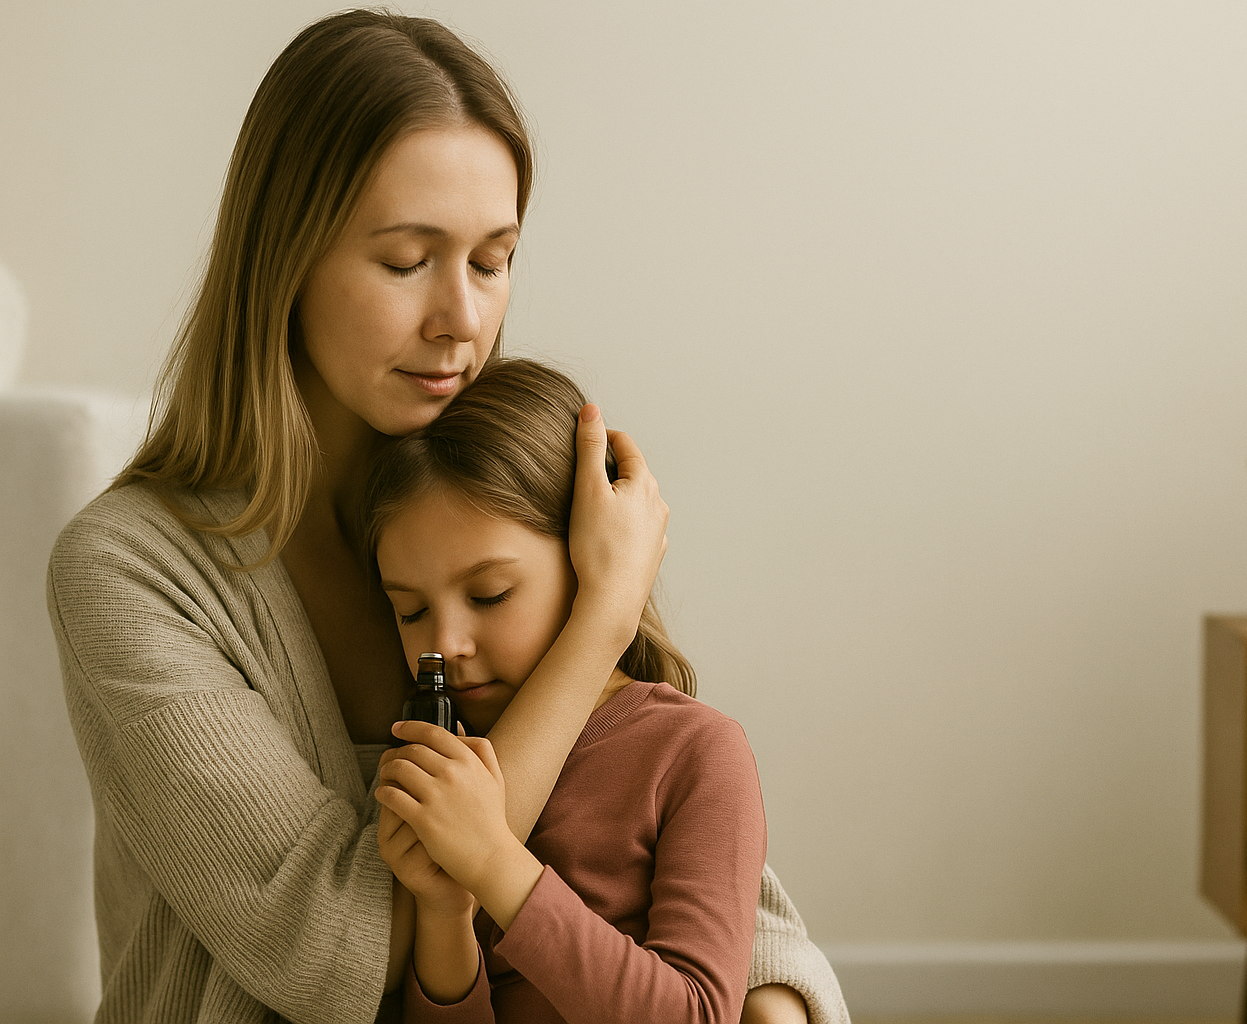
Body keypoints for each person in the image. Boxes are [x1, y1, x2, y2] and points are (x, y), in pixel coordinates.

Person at [45, 10, 846, 1024]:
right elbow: (334, 952)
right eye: (405, 260)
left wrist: (772, 993)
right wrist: (603, 611)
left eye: (491, 259)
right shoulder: (128, 574)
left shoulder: (490, 493)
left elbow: (669, 811)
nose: (462, 322)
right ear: (284, 259)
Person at [363, 358, 765, 1023]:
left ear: (593, 560)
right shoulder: (442, 762)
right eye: (410, 611)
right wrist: (443, 913)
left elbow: (697, 1014)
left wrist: (492, 862)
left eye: (490, 595)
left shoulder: (695, 751)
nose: (447, 642)